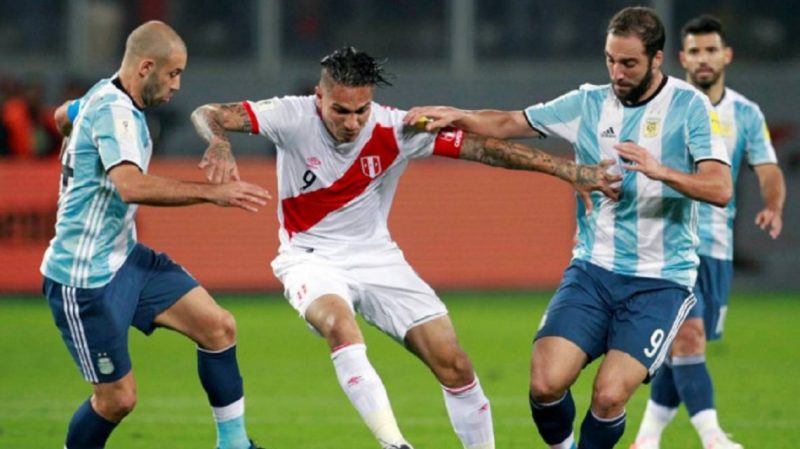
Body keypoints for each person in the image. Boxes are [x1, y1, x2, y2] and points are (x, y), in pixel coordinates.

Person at [190, 46, 620, 449]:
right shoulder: (290, 115)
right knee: (340, 326)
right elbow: (207, 112)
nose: (352, 123)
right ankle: (394, 443)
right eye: (340, 110)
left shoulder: (394, 128)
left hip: (378, 259)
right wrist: (219, 141)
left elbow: (486, 150)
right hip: (309, 258)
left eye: (361, 110)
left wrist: (565, 170)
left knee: (455, 365)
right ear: (319, 97)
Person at [405, 6, 734, 449]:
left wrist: (661, 171)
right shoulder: (588, 103)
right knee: (545, 383)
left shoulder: (690, 106)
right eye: (610, 60)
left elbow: (720, 188)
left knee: (609, 395)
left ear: (657, 59)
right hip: (593, 272)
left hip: (660, 281)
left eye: (629, 63)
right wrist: (455, 114)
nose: (617, 72)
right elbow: (509, 122)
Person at [41, 21, 271, 449]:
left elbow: (60, 116)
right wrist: (213, 193)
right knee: (117, 401)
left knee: (218, 327)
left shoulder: (99, 94)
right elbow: (131, 186)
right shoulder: (115, 113)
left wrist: (76, 148)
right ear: (146, 67)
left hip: (125, 258)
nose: (177, 85)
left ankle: (234, 445)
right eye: (173, 73)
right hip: (84, 278)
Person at [629, 15, 786, 449]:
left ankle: (646, 438)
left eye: (711, 50)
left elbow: (768, 167)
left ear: (726, 55)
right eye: (695, 51)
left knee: (687, 347)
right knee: (688, 336)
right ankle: (713, 438)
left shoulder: (745, 113)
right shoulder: (661, 106)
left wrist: (773, 206)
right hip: (667, 242)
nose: (703, 58)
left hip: (716, 246)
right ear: (682, 58)